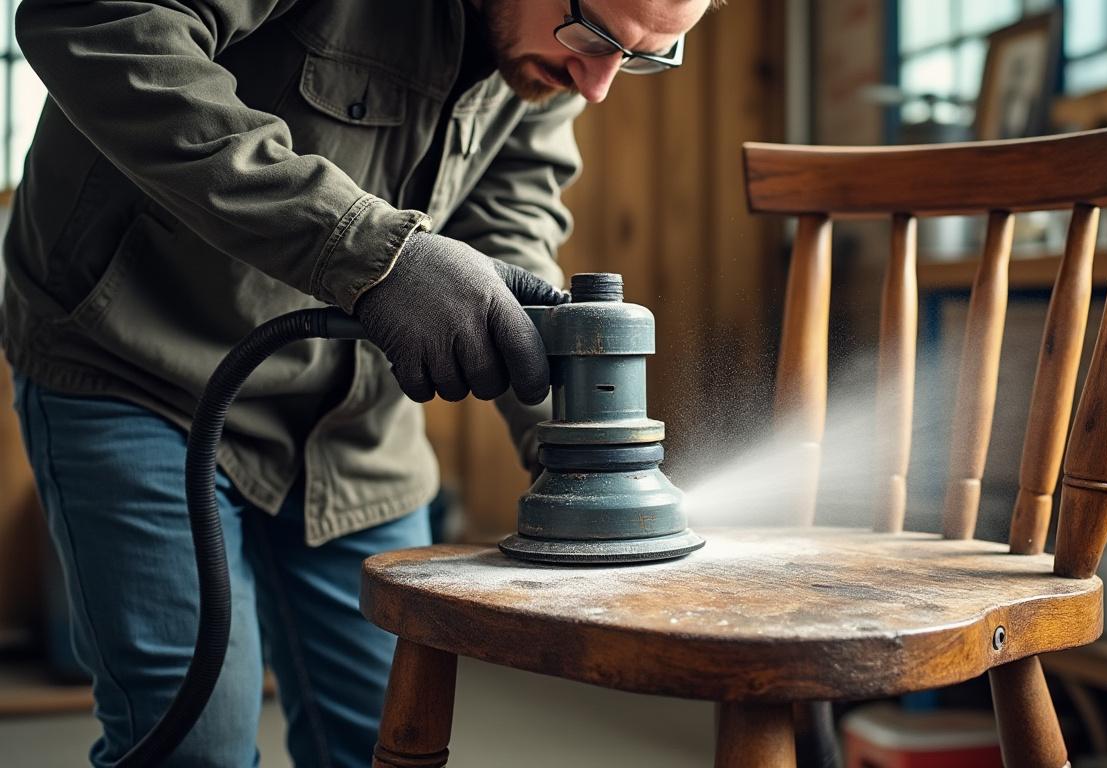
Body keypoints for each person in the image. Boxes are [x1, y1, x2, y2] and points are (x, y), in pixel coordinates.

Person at [1, 0, 716, 765]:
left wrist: (571, 440)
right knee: (193, 749)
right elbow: (97, 23)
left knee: (391, 741)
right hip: (143, 368)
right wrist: (375, 253)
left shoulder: (550, 53)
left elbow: (506, 218)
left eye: (645, 55)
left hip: (353, 421)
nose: (599, 83)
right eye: (598, 36)